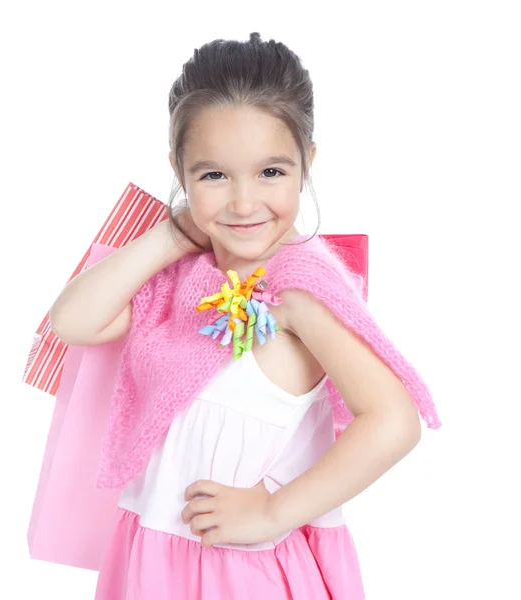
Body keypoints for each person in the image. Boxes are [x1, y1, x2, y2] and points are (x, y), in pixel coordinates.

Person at [48, 32, 439, 600]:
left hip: (239, 568)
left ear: (307, 162)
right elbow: (72, 323)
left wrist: (274, 511)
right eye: (213, 175)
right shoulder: (178, 280)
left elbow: (394, 420)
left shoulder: (297, 290)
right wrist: (171, 238)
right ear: (179, 173)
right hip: (154, 555)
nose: (243, 201)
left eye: (271, 173)